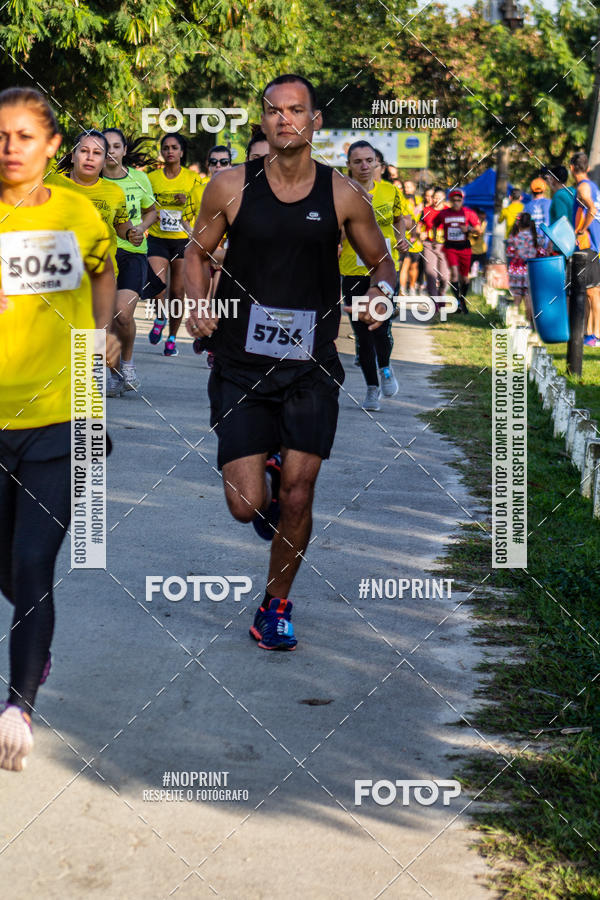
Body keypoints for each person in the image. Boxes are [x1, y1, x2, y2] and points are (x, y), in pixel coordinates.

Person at [184, 74, 397, 650]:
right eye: (274, 111)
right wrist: (197, 302)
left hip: (310, 365)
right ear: (263, 121)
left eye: (296, 110)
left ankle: (275, 606)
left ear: (315, 121)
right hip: (240, 364)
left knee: (300, 496)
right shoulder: (228, 187)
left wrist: (382, 294)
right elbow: (195, 252)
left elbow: (380, 260)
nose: (284, 119)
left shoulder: (341, 194)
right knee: (244, 504)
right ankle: (267, 480)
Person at [0, 86, 120, 771]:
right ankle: (36, 640)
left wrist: (99, 334)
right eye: (0, 136)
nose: (10, 148)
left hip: (64, 412)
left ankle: (19, 702)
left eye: (24, 136)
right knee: (4, 565)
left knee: (31, 561)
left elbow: (104, 271)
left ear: (52, 146)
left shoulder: (80, 213)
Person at [47, 130, 137, 395]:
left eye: (97, 153)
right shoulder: (52, 183)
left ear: (104, 159)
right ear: (73, 155)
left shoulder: (114, 192)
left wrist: (132, 233)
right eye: (84, 151)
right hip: (57, 275)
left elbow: (122, 227)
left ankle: (86, 413)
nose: (90, 157)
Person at [339, 140, 408, 410]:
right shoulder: (342, 193)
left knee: (382, 328)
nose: (364, 166)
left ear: (378, 164)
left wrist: (401, 238)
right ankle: (371, 388)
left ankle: (386, 367)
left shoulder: (390, 191)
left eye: (369, 161)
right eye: (358, 162)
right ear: (349, 166)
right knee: (362, 333)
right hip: (352, 271)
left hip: (384, 271)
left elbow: (399, 218)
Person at [102, 128, 158, 393]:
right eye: (106, 146)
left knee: (123, 313)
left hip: (133, 252)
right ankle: (112, 374)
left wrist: (140, 228)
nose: (111, 151)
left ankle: (128, 365)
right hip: (102, 254)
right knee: (105, 318)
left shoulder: (139, 179)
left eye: (116, 146)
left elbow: (151, 210)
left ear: (124, 150)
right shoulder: (93, 182)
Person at [147, 133, 201, 357]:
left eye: (174, 148)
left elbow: (201, 205)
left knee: (178, 293)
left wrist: (185, 201)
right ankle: (160, 317)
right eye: (166, 147)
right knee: (157, 286)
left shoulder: (192, 179)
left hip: (182, 240)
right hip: (158, 238)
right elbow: (143, 206)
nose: (170, 151)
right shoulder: (151, 178)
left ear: (181, 152)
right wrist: (152, 213)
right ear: (162, 151)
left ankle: (172, 338)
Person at [432, 188, 481, 313]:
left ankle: (462, 300)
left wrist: (468, 229)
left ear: (462, 201)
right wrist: (433, 238)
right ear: (450, 201)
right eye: (454, 200)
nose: (456, 203)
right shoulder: (444, 213)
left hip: (464, 247)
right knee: (454, 273)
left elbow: (478, 229)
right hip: (450, 247)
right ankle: (458, 301)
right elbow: (435, 224)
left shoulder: (468, 213)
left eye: (459, 200)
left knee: (464, 278)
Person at [569, 152, 600, 349]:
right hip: (594, 244)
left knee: (593, 292)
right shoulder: (594, 186)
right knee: (590, 291)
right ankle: (590, 333)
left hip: (590, 244)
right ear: (587, 168)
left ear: (572, 168)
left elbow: (592, 209)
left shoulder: (582, 188)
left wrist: (581, 229)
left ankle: (596, 334)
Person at [506, 212, 540, 321]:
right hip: (531, 270)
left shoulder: (514, 238)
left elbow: (509, 253)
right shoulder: (536, 238)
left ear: (518, 224)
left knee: (516, 296)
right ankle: (529, 324)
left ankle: (513, 322)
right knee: (528, 297)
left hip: (516, 270)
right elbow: (541, 252)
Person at [420, 187, 449, 302]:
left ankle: (441, 294)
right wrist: (420, 233)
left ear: (444, 199)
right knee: (430, 273)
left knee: (444, 276)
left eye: (439, 198)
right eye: (434, 198)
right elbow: (418, 226)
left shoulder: (449, 211)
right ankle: (434, 300)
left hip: (444, 246)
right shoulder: (426, 210)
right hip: (429, 244)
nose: (436, 200)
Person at [469, 207, 488, 281]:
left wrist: (470, 229)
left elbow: (477, 234)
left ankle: (484, 281)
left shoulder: (483, 223)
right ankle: (468, 282)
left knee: (484, 267)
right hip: (471, 251)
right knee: (468, 269)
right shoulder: (469, 223)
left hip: (481, 250)